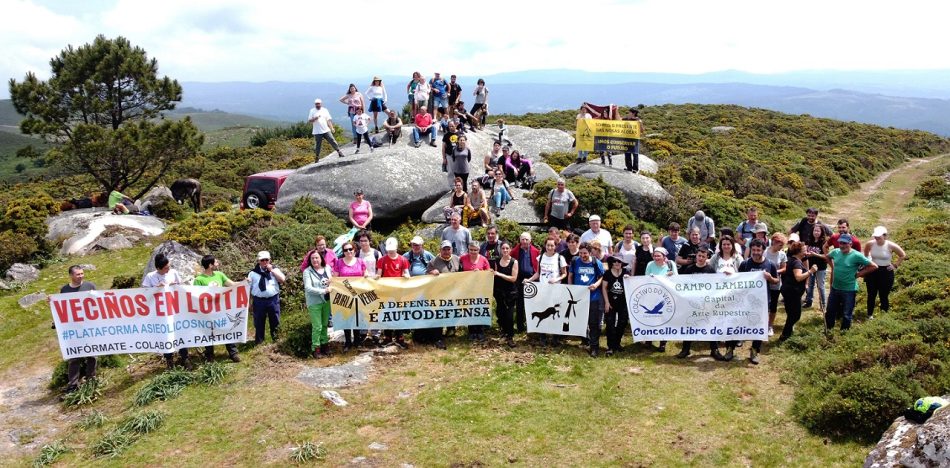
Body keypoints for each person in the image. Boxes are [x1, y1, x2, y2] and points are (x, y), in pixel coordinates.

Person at [734, 239, 779, 364]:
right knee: (742, 321)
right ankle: (740, 339)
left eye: (758, 250)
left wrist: (770, 278)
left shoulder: (770, 264)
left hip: (763, 301)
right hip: (746, 301)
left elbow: (776, 281)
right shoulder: (745, 264)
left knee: (759, 326)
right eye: (753, 250)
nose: (755, 252)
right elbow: (737, 281)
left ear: (763, 250)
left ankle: (755, 351)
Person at [142, 253, 190, 368]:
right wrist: (156, 288)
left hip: (175, 309)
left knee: (180, 332)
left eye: (169, 266)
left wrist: (174, 286)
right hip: (161, 313)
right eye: (165, 268)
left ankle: (185, 358)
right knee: (165, 335)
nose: (168, 269)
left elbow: (181, 287)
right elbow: (144, 293)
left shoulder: (173, 273)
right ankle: (169, 362)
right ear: (158, 268)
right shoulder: (150, 276)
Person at [193, 255, 241, 362]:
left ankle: (233, 353)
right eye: (215, 262)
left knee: (226, 329)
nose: (217, 263)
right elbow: (196, 297)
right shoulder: (199, 280)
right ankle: (210, 356)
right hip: (208, 312)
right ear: (210, 265)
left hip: (221, 309)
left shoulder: (219, 274)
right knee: (208, 332)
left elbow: (231, 284)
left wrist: (243, 283)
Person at [826, 234, 877, 331]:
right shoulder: (835, 252)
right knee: (830, 311)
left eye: (844, 243)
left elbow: (874, 266)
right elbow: (827, 257)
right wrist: (833, 267)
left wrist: (859, 274)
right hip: (835, 288)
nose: (842, 245)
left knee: (846, 314)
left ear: (850, 243)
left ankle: (844, 333)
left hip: (849, 290)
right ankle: (829, 331)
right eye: (840, 243)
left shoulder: (856, 255)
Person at [59, 265, 98, 393]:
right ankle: (73, 385)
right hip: (74, 329)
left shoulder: (90, 286)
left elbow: (98, 303)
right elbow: (61, 307)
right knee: (74, 357)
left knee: (92, 355)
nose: (81, 276)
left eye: (82, 273)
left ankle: (91, 379)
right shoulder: (65, 290)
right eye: (78, 274)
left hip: (89, 326)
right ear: (71, 275)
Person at [526, 236, 568, 346]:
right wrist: (529, 280)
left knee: (553, 313)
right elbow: (538, 273)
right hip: (542, 290)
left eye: (552, 245)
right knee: (543, 312)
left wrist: (557, 279)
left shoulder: (560, 258)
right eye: (548, 245)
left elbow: (564, 273)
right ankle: (543, 337)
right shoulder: (540, 258)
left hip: (555, 290)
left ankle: (555, 338)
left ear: (555, 246)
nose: (550, 247)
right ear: (545, 246)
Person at [569, 242, 605, 357]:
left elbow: (601, 277)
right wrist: (571, 289)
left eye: (585, 253)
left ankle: (594, 347)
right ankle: (586, 340)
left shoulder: (596, 263)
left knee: (593, 323)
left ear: (590, 253)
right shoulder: (575, 261)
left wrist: (596, 284)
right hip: (578, 297)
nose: (582, 255)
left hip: (593, 297)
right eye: (580, 253)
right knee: (579, 321)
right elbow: (570, 275)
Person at [863, 226, 906, 318]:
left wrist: (895, 265)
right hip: (873, 271)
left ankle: (883, 316)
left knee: (883, 295)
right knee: (871, 294)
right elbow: (865, 254)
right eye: (875, 237)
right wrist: (868, 262)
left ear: (885, 236)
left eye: (879, 237)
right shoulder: (870, 244)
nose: (877, 239)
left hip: (886, 271)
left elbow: (902, 255)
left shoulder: (891, 245)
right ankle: (869, 314)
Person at [332, 241, 367, 352]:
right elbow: (336, 278)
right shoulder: (339, 262)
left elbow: (365, 275)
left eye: (350, 249)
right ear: (343, 252)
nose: (348, 252)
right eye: (345, 250)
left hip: (358, 295)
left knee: (357, 317)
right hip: (344, 295)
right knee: (346, 318)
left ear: (354, 250)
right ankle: (348, 342)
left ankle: (357, 341)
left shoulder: (361, 261)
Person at [425, 240, 460, 349]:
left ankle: (451, 331)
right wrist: (431, 272)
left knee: (452, 313)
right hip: (439, 294)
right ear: (440, 250)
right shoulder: (433, 261)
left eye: (448, 249)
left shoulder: (457, 259)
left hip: (453, 293)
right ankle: (438, 338)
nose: (446, 251)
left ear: (452, 250)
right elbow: (426, 275)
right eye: (444, 249)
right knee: (439, 315)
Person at [778, 241, 816, 341]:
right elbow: (798, 277)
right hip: (792, 292)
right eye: (804, 250)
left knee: (791, 314)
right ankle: (785, 335)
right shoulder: (796, 263)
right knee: (795, 315)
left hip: (788, 291)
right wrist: (810, 271)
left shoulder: (791, 260)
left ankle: (787, 334)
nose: (806, 252)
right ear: (798, 252)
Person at [377, 238, 410, 348]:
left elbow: (407, 273)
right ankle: (387, 337)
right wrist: (376, 277)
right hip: (386, 291)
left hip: (399, 292)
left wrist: (406, 276)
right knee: (387, 313)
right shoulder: (382, 260)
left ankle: (400, 337)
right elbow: (379, 274)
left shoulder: (403, 260)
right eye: (388, 250)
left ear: (396, 248)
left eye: (392, 250)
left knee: (398, 314)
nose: (390, 252)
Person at [248, 251, 286, 345]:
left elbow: (282, 280)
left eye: (266, 260)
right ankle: (259, 342)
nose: (265, 262)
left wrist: (272, 271)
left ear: (270, 260)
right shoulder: (253, 273)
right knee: (259, 322)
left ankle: (276, 340)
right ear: (258, 261)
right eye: (262, 260)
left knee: (275, 320)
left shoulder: (275, 270)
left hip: (273, 299)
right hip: (259, 300)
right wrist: (249, 302)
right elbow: (248, 289)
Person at [303, 249, 332, 359]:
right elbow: (308, 288)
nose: (315, 260)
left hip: (327, 301)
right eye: (312, 258)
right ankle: (316, 348)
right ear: (310, 260)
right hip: (314, 302)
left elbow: (333, 280)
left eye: (317, 258)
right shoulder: (307, 272)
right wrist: (323, 291)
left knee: (325, 324)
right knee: (317, 326)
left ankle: (325, 344)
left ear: (321, 259)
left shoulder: (327, 268)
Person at [460, 242, 491, 340]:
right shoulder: (463, 258)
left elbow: (489, 273)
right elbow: (458, 272)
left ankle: (480, 331)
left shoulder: (483, 259)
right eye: (471, 250)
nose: (473, 252)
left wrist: (481, 272)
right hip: (467, 288)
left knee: (480, 309)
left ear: (479, 250)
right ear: (468, 249)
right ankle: (472, 331)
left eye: (475, 250)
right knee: (470, 309)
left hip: (480, 289)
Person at [511, 232, 540, 335]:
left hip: (532, 279)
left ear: (530, 241)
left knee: (533, 303)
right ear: (520, 240)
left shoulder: (536, 251)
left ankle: (532, 325)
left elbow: (538, 267)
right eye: (522, 239)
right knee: (519, 304)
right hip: (519, 280)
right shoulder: (514, 251)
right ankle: (520, 326)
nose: (524, 241)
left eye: (526, 239)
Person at [492, 241, 519, 347]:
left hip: (510, 293)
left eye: (507, 248)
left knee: (509, 316)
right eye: (503, 248)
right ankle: (503, 332)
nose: (505, 250)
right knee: (500, 313)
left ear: (510, 249)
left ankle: (510, 336)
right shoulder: (497, 261)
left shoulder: (514, 262)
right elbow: (494, 274)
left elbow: (513, 278)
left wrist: (499, 273)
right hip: (499, 292)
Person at [601, 255, 630, 356]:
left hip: (623, 303)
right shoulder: (607, 273)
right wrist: (607, 302)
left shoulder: (626, 272)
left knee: (622, 323)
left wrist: (629, 279)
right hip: (611, 302)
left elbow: (632, 285)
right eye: (615, 261)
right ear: (611, 263)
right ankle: (610, 346)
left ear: (622, 263)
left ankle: (617, 343)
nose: (617, 263)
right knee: (610, 324)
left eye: (619, 261)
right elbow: (604, 288)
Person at [764, 232, 788, 336]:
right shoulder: (764, 252)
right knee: (764, 305)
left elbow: (784, 268)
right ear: (774, 242)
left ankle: (770, 325)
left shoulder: (782, 254)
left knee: (773, 305)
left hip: (775, 283)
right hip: (764, 283)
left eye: (782, 245)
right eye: (780, 245)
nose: (781, 247)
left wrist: (775, 272)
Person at [803, 224, 829, 312]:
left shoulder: (824, 243)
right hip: (810, 266)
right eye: (815, 230)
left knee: (821, 286)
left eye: (818, 231)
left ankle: (823, 304)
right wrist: (806, 253)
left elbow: (826, 256)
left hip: (821, 267)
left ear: (821, 232)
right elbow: (805, 250)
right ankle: (809, 301)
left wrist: (814, 254)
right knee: (810, 284)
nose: (816, 232)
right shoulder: (808, 240)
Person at [621, 108, 644, 172]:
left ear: (633, 113)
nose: (628, 114)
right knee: (627, 153)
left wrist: (640, 124)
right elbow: (618, 120)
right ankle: (629, 167)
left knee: (635, 153)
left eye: (629, 112)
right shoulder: (625, 119)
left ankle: (635, 169)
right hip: (626, 139)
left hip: (634, 139)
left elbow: (642, 131)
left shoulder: (638, 120)